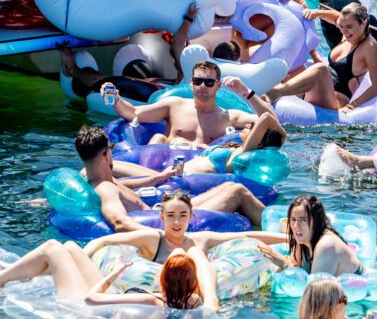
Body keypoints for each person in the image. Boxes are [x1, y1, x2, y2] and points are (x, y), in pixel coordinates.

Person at [75, 125, 265, 230]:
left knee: (228, 187)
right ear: (106, 155)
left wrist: (155, 178)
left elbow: (123, 184)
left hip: (163, 212)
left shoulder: (103, 180)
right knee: (237, 191)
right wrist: (160, 239)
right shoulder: (105, 189)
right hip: (166, 222)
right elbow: (119, 222)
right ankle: (280, 230)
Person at [0, 238, 219, 311]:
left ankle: (2, 279)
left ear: (164, 276)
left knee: (53, 247)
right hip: (110, 299)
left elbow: (91, 298)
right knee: (71, 247)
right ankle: (22, 273)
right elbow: (199, 259)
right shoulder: (194, 300)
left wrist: (114, 274)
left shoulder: (151, 300)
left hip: (83, 307)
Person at [106, 60, 276, 147]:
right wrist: (115, 99)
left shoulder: (229, 117)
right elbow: (134, 113)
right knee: (158, 138)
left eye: (208, 82)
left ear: (218, 86)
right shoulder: (174, 105)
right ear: (191, 83)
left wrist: (247, 92)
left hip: (203, 173)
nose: (202, 86)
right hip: (165, 168)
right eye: (198, 81)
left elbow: (271, 123)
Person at [84, 190, 285, 260]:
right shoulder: (153, 239)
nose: (177, 221)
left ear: (191, 217)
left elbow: (246, 237)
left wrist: (288, 238)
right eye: (171, 215)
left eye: (183, 215)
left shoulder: (200, 240)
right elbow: (105, 240)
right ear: (162, 218)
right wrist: (85, 256)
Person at [265, 2, 377, 111]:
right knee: (286, 63)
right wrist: (317, 13)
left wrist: (352, 106)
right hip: (315, 91)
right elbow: (336, 18)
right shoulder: (348, 33)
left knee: (321, 69)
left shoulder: (370, 47)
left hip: (334, 101)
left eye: (349, 27)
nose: (343, 31)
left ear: (363, 23)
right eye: (341, 26)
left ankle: (276, 92)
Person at [258, 195, 363, 277]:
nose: (295, 226)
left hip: (359, 291)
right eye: (293, 219)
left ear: (316, 221)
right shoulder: (303, 240)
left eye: (303, 220)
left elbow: (314, 295)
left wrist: (285, 264)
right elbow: (296, 267)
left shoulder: (326, 246)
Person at [185, 110, 286, 175]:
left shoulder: (246, 151)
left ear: (259, 139)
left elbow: (266, 117)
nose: (247, 125)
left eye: (252, 126)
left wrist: (283, 134)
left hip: (189, 177)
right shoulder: (235, 148)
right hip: (180, 172)